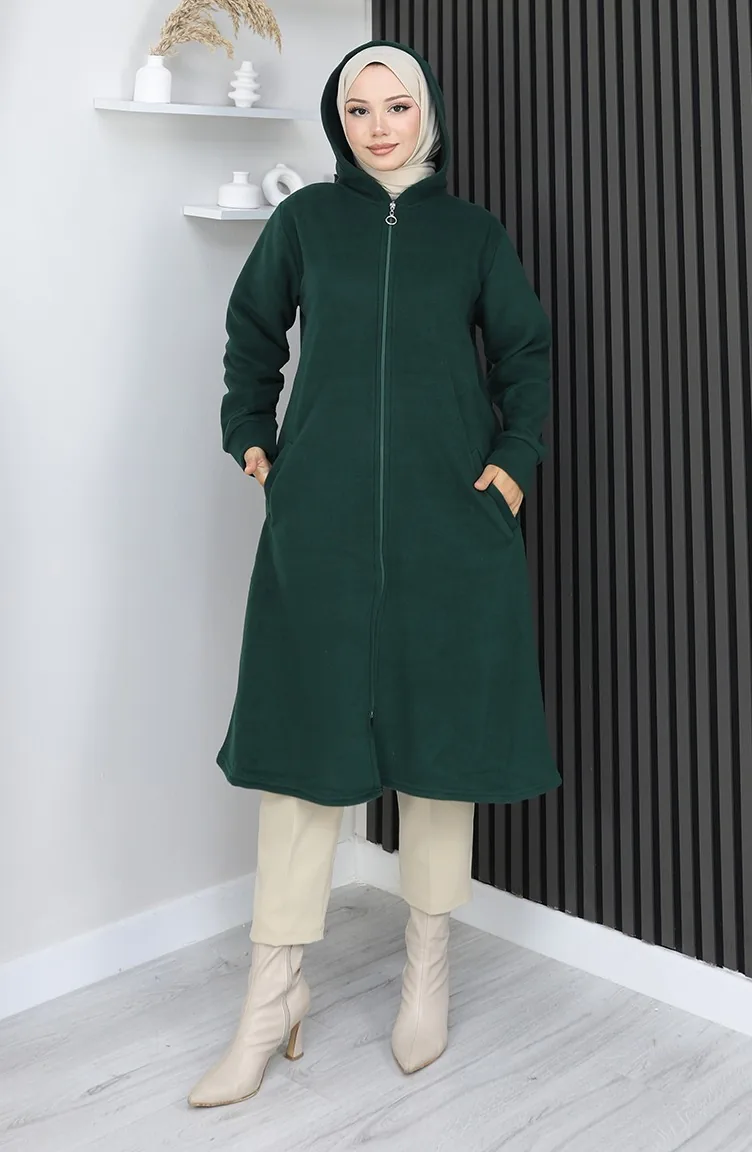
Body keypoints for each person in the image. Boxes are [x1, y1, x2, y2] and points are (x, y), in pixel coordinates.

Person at [187, 39, 561, 1108]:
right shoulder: (307, 221)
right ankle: (271, 999)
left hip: (452, 526)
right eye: (358, 109)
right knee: (303, 748)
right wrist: (252, 431)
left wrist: (512, 465)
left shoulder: (471, 233)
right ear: (337, 120)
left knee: (440, 750)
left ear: (426, 114)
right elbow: (251, 332)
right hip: (324, 525)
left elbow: (525, 355)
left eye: (396, 106)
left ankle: (426, 972)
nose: (378, 126)